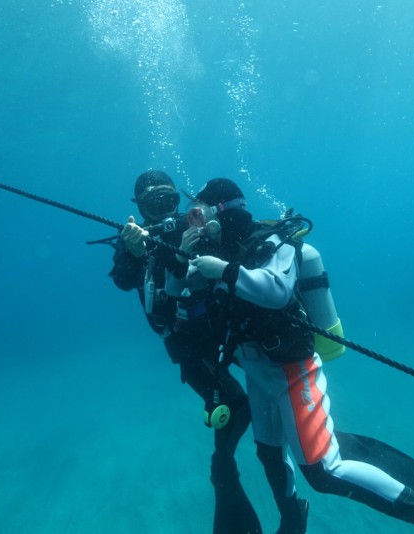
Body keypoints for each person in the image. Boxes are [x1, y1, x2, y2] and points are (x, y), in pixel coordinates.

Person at [170, 177, 414, 534]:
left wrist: (223, 271)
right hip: (256, 373)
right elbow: (176, 295)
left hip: (291, 370)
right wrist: (180, 258)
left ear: (220, 212)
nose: (196, 223)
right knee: (269, 453)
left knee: (323, 470)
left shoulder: (274, 242)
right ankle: (292, 520)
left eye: (200, 214)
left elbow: (277, 292)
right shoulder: (216, 254)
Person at [110, 170, 306, 534]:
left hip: (225, 330)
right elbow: (122, 278)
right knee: (235, 404)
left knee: (268, 396)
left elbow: (229, 254)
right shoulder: (135, 238)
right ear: (140, 207)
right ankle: (224, 470)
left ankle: (295, 489)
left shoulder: (194, 223)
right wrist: (134, 252)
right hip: (185, 344)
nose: (164, 210)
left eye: (169, 200)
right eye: (153, 203)